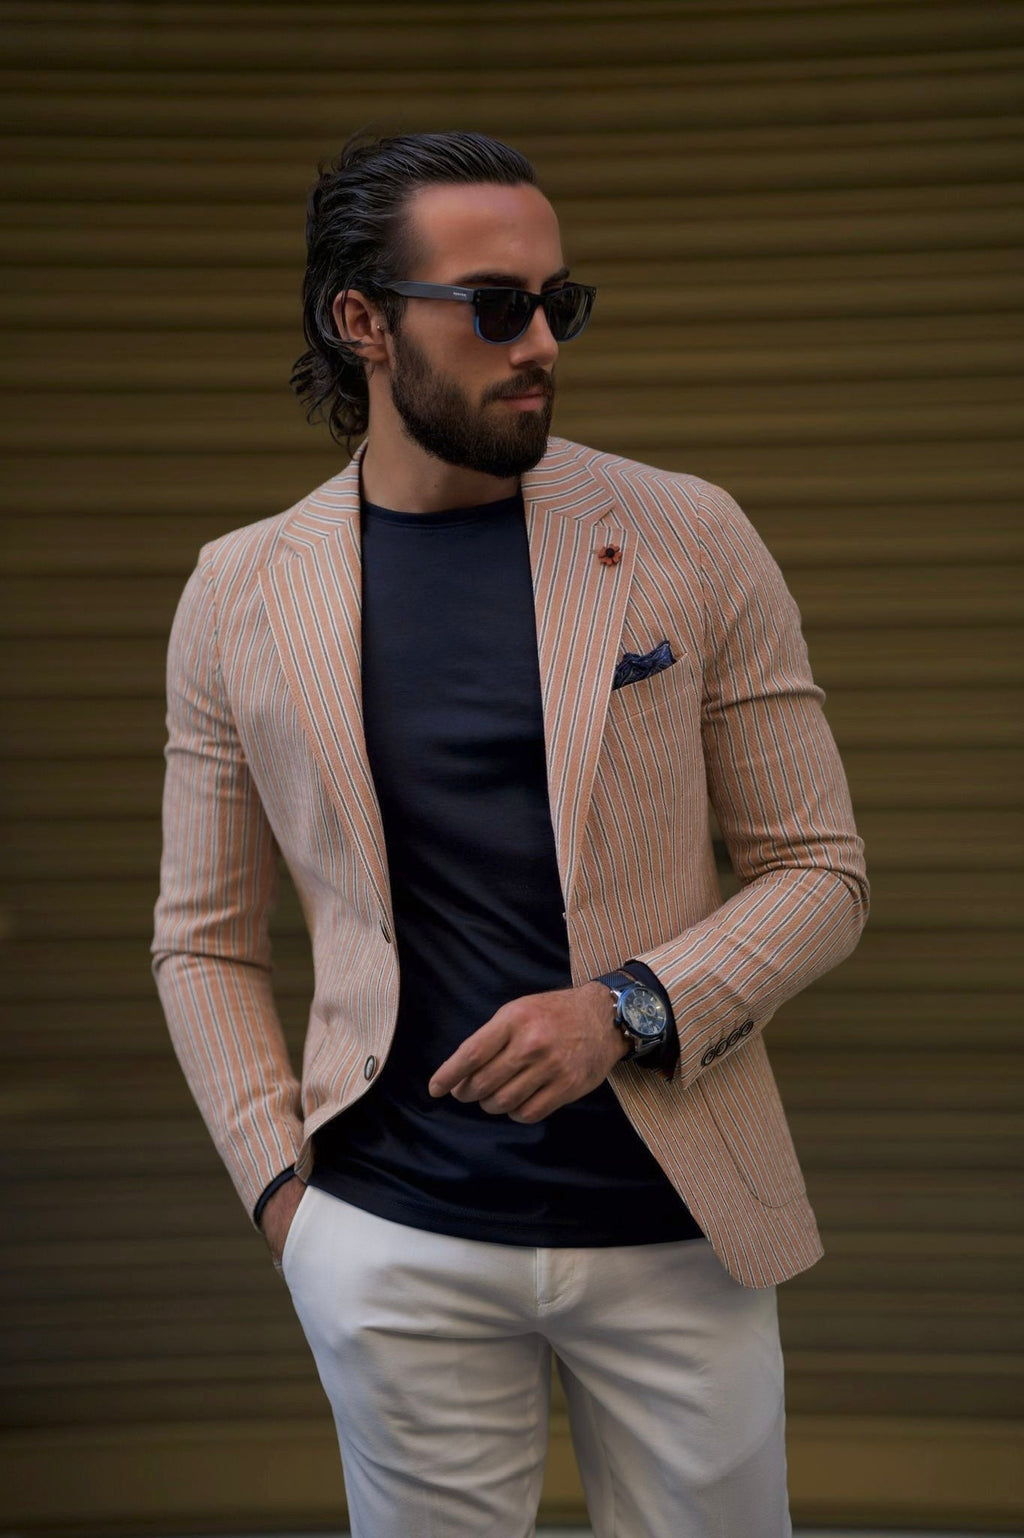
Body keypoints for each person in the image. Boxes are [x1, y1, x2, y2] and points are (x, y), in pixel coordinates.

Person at [153, 130, 868, 1538]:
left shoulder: (688, 535)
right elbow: (203, 940)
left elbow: (821, 869)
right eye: (495, 306)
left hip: (677, 1224)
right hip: (392, 1235)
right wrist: (289, 1205)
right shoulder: (238, 593)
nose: (541, 341)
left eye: (558, 302)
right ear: (362, 322)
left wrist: (625, 1009)